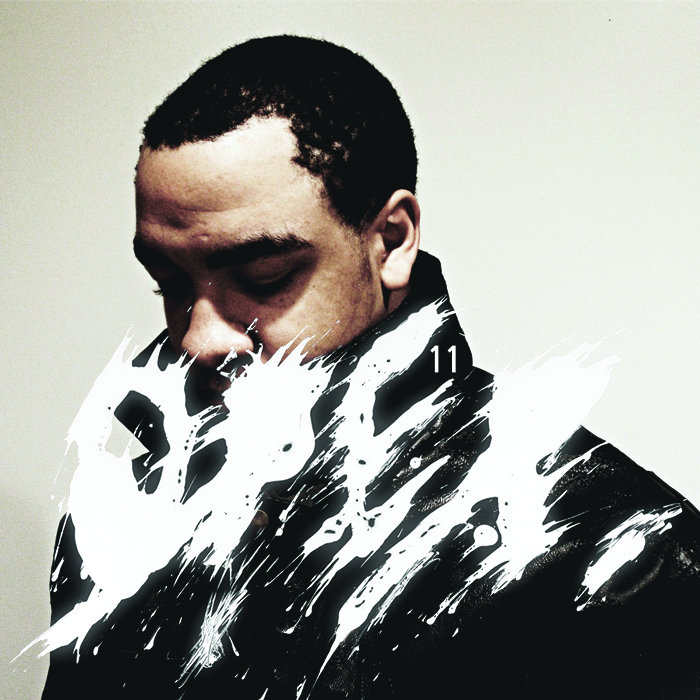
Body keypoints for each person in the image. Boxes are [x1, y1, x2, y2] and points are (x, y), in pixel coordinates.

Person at [40, 36, 700, 699]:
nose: (199, 338)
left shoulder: (613, 556)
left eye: (264, 277)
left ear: (391, 241)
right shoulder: (123, 516)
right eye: (169, 282)